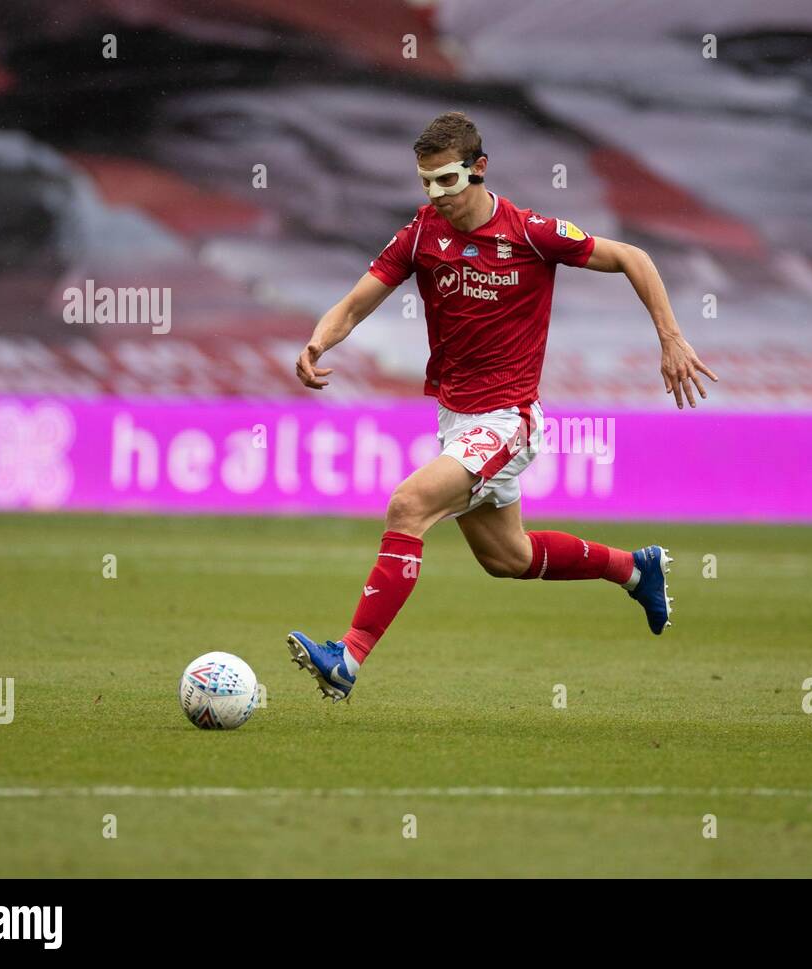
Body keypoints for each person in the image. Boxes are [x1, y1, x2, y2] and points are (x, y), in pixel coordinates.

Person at [287, 111, 718, 700]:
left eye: (448, 181)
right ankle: (634, 568)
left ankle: (348, 657)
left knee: (408, 505)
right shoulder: (420, 235)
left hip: (507, 419)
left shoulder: (530, 232)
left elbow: (632, 258)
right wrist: (318, 340)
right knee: (507, 558)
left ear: (479, 168)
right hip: (456, 419)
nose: (437, 195)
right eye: (426, 183)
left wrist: (670, 338)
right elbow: (356, 304)